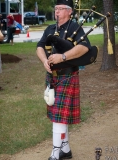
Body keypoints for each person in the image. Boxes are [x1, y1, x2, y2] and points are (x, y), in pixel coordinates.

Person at [36, 0, 91, 159]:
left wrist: (63, 56)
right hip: (52, 77)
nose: (57, 12)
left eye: (60, 9)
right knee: (58, 115)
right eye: (56, 9)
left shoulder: (75, 27)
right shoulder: (50, 28)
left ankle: (55, 153)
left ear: (69, 12)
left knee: (59, 117)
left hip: (67, 76)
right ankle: (65, 149)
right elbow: (39, 46)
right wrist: (44, 60)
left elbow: (85, 47)